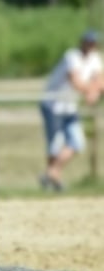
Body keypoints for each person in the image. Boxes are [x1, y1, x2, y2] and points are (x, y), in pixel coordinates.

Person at [39, 30, 104, 191]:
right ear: (82, 42)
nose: (91, 46)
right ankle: (53, 179)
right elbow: (75, 80)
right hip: (53, 105)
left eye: (93, 43)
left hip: (70, 107)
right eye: (88, 42)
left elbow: (100, 79)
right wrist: (90, 92)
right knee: (55, 144)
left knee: (77, 142)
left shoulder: (95, 59)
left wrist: (94, 91)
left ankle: (51, 174)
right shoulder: (72, 56)